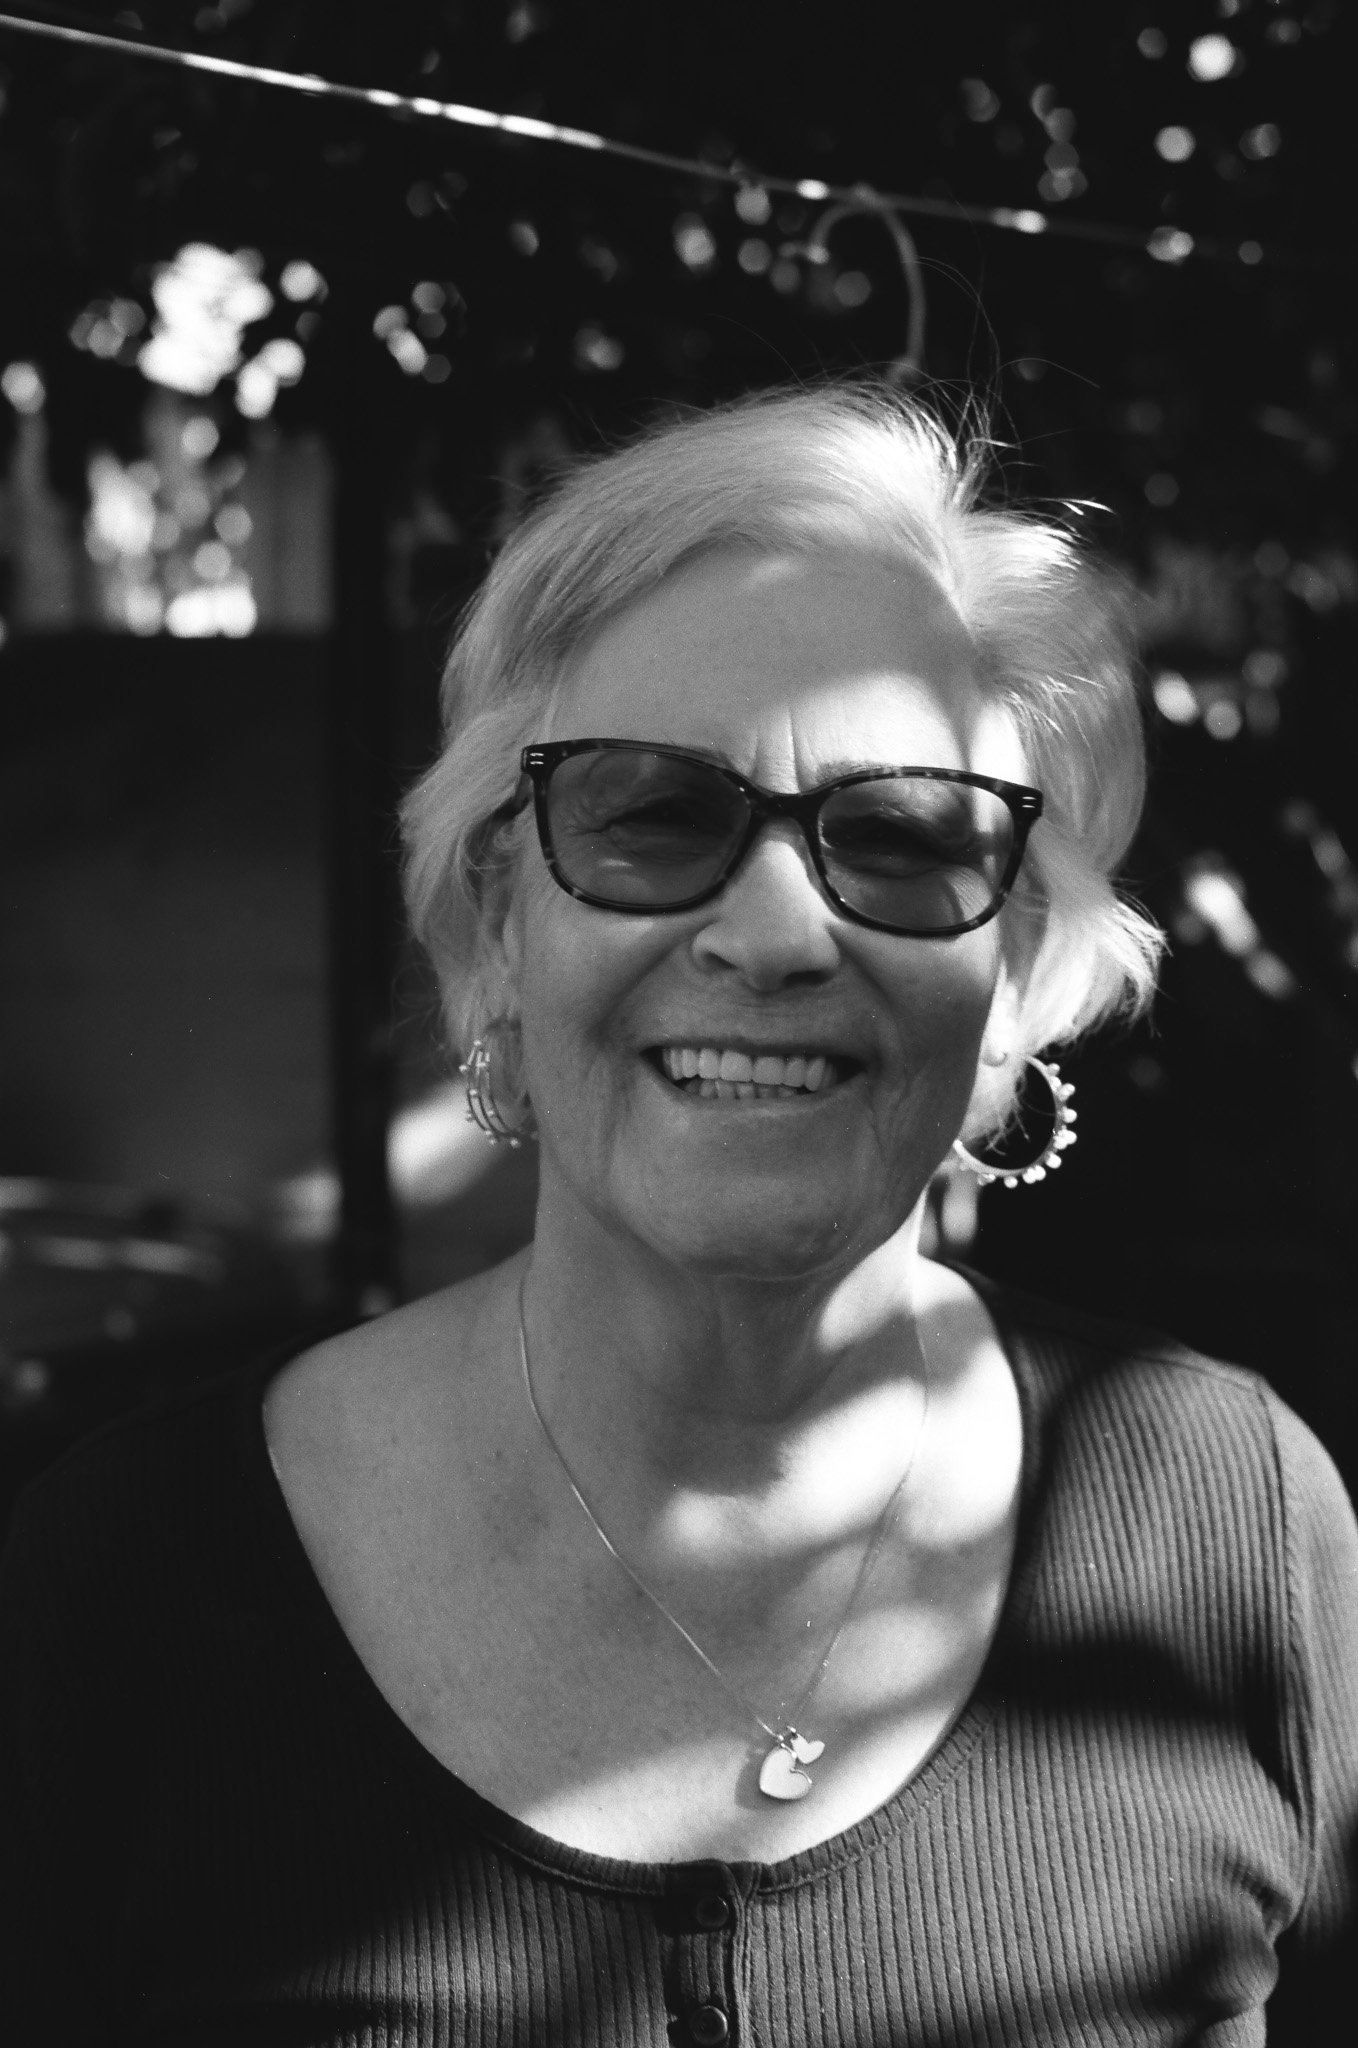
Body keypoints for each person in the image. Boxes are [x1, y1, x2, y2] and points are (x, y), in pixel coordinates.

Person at [2, 385, 1355, 2045]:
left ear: (1012, 970)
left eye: (902, 834)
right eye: (651, 815)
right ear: (495, 926)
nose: (773, 936)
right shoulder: (114, 1589)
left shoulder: (1236, 1528)